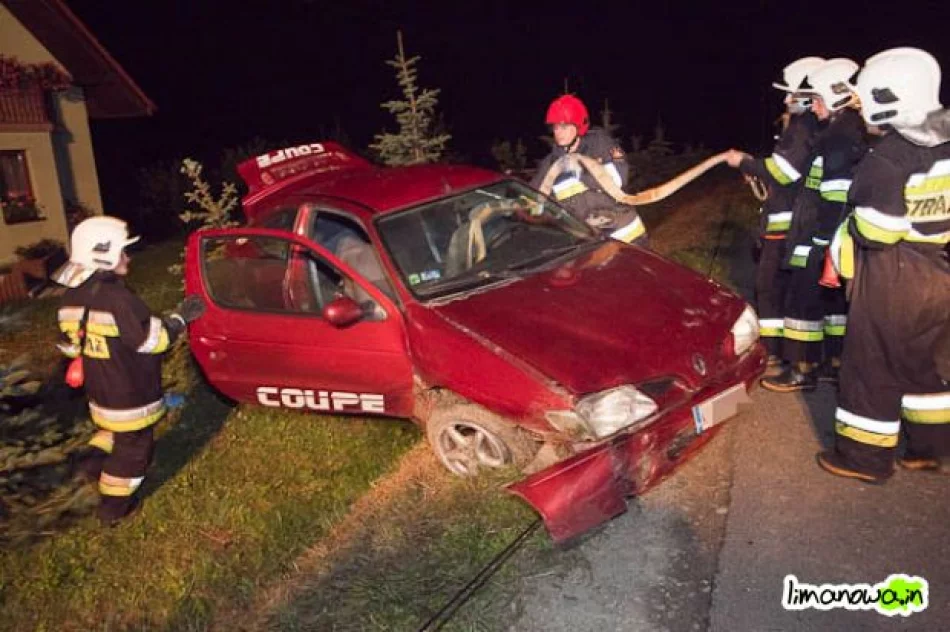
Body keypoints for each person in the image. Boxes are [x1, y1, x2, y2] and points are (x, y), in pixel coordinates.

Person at [817, 47, 950, 483]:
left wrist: (848, 232)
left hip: (895, 275)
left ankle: (863, 458)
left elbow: (878, 231)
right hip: (940, 270)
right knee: (926, 360)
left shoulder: (890, 156)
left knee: (871, 365)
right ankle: (931, 450)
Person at [52, 216, 206, 525]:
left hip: (99, 391)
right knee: (135, 451)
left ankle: (91, 462)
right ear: (104, 255)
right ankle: (114, 505)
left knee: (113, 432)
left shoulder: (71, 296)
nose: (128, 258)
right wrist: (180, 318)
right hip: (131, 396)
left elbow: (70, 347)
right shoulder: (120, 300)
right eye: (123, 251)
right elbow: (155, 340)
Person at [762, 58, 867, 392]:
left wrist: (818, 243)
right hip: (829, 237)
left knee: (801, 301)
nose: (814, 105)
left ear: (836, 98)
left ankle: (802, 369)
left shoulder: (836, 138)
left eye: (818, 99)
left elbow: (834, 197)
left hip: (816, 236)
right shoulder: (845, 130)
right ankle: (833, 362)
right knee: (833, 305)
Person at [724, 57, 825, 367]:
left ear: (808, 97)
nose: (785, 100)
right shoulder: (812, 127)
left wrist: (744, 161)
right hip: (793, 221)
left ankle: (773, 353)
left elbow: (783, 170)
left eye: (790, 94)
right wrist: (758, 171)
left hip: (785, 226)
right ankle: (789, 353)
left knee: (769, 288)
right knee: (782, 290)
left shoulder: (802, 127)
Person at [530, 94, 647, 246]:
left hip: (628, 235)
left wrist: (580, 170)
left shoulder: (600, 143)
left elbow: (619, 178)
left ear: (579, 125)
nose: (558, 132)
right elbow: (533, 202)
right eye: (555, 126)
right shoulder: (550, 164)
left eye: (564, 126)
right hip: (592, 245)